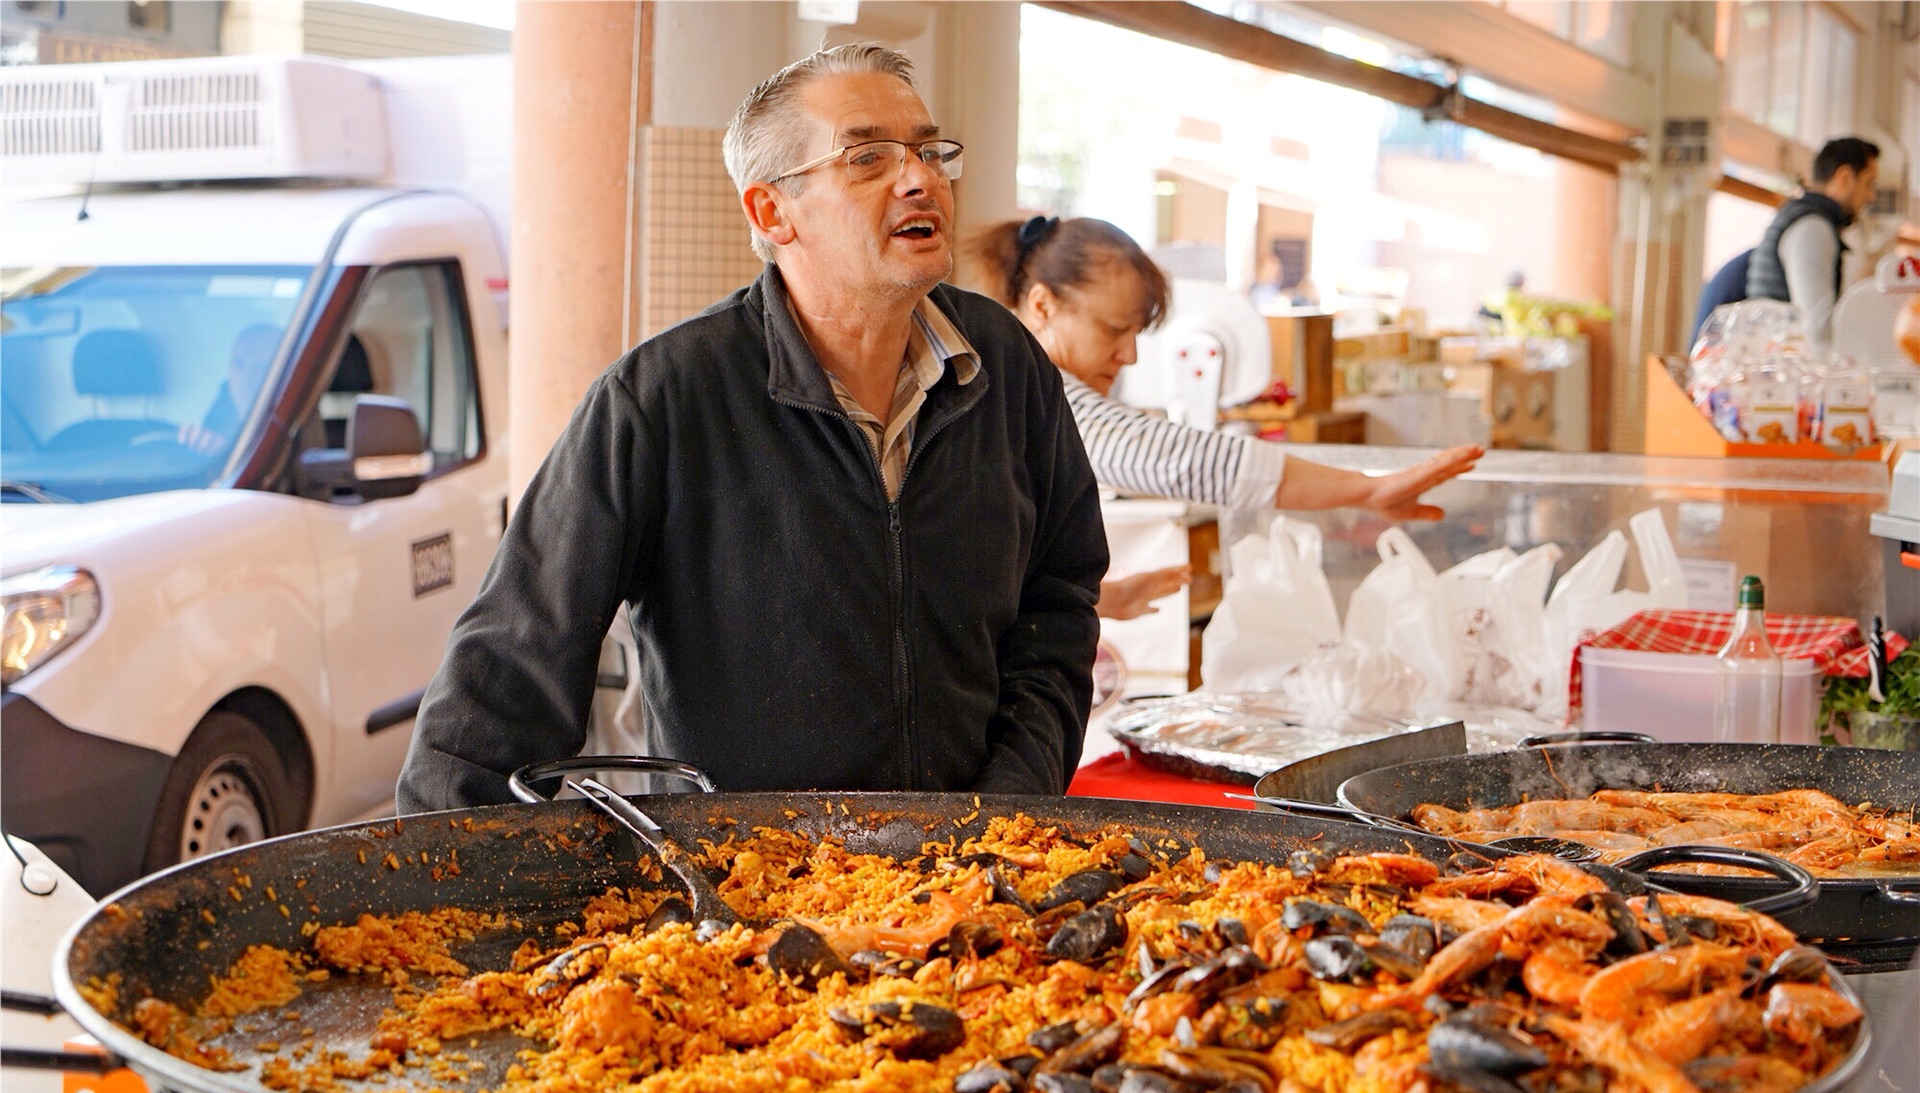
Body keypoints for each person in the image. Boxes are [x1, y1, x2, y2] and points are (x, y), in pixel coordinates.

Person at [396, 44, 1106, 813]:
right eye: (867, 158)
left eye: (928, 150)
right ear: (773, 211)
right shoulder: (664, 399)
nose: (919, 177)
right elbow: (507, 673)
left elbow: (1059, 601)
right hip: (747, 896)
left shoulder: (1005, 366)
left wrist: (1010, 802)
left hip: (974, 881)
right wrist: (446, 893)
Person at [962, 217, 1481, 609]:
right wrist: (1368, 490)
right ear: (1043, 304)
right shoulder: (1019, 385)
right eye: (1113, 330)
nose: (1130, 356)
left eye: (1136, 335)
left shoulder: (1011, 379)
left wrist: (1097, 598)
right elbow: (1178, 458)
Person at [1745, 136, 1881, 350]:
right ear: (1845, 177)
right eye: (1868, 183)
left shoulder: (1806, 219)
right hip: (1782, 371)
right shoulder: (1813, 227)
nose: (1871, 196)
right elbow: (1818, 330)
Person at [178, 322, 278, 453]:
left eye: (262, 368)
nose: (246, 378)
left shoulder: (290, 423)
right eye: (238, 364)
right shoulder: (219, 415)